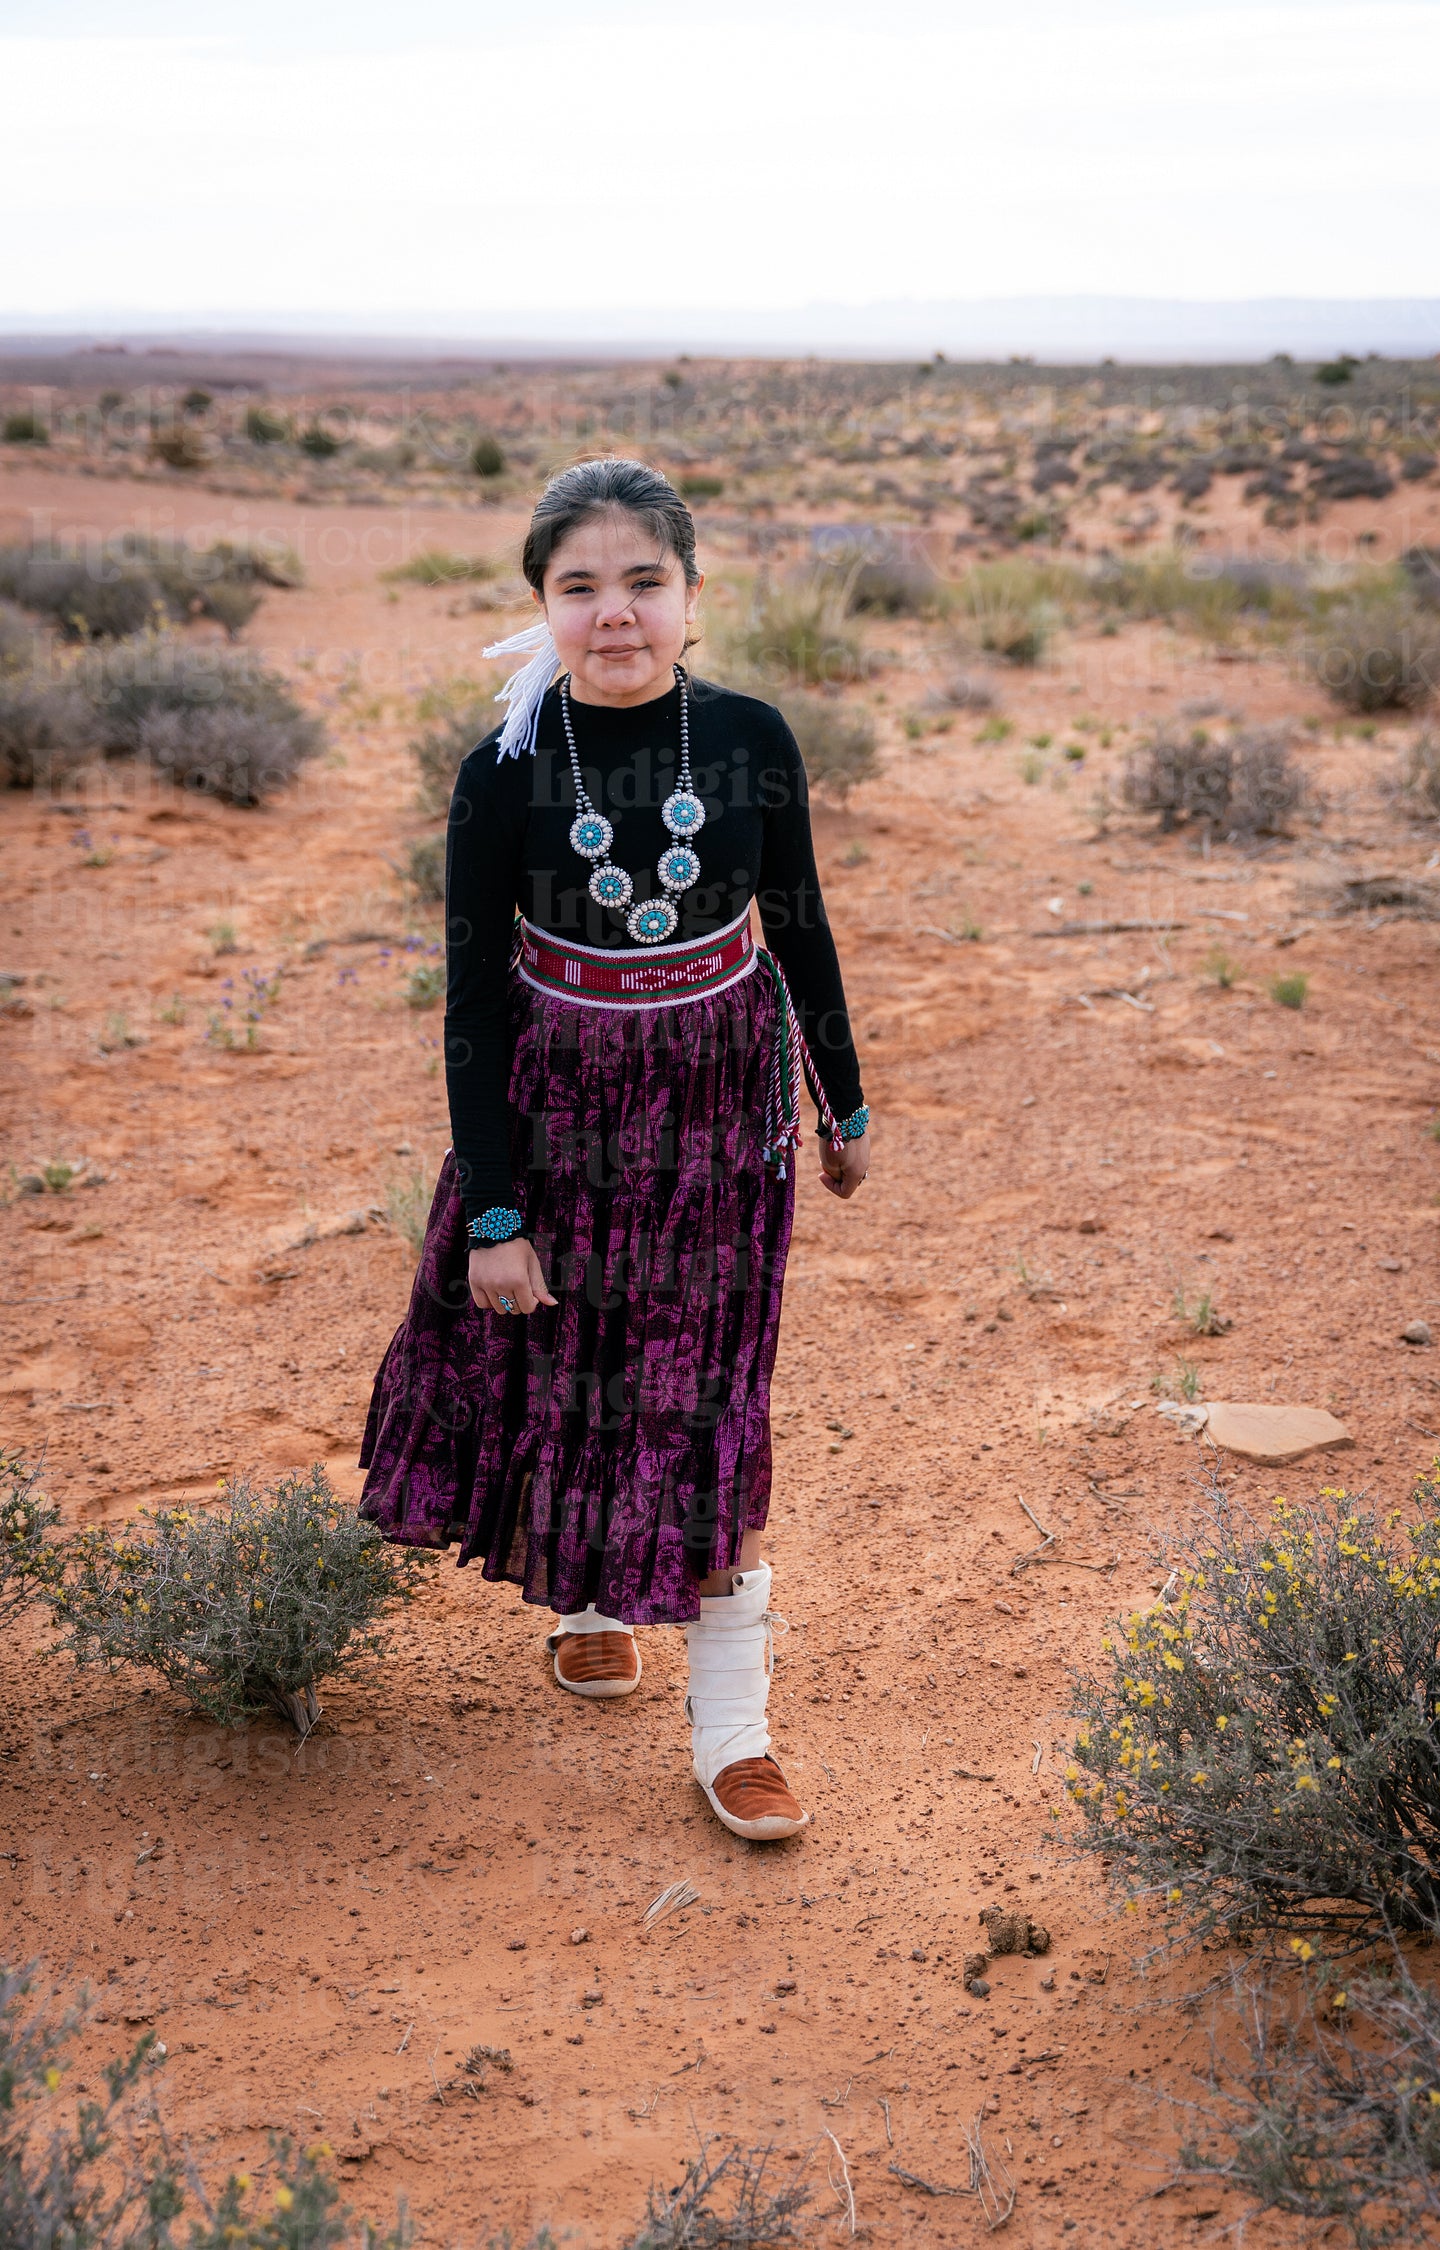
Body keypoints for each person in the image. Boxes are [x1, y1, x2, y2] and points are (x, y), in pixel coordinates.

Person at [359, 458, 868, 1842]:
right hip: (555, 1104)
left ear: (692, 597)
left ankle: (734, 1732)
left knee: (708, 1387)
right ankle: (588, 1596)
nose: (617, 614)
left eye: (645, 582)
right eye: (580, 587)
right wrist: (495, 1212)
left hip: (722, 1114)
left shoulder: (754, 736)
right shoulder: (502, 775)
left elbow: (800, 919)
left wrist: (846, 1100)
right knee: (567, 1354)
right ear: (543, 605)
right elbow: (469, 1003)